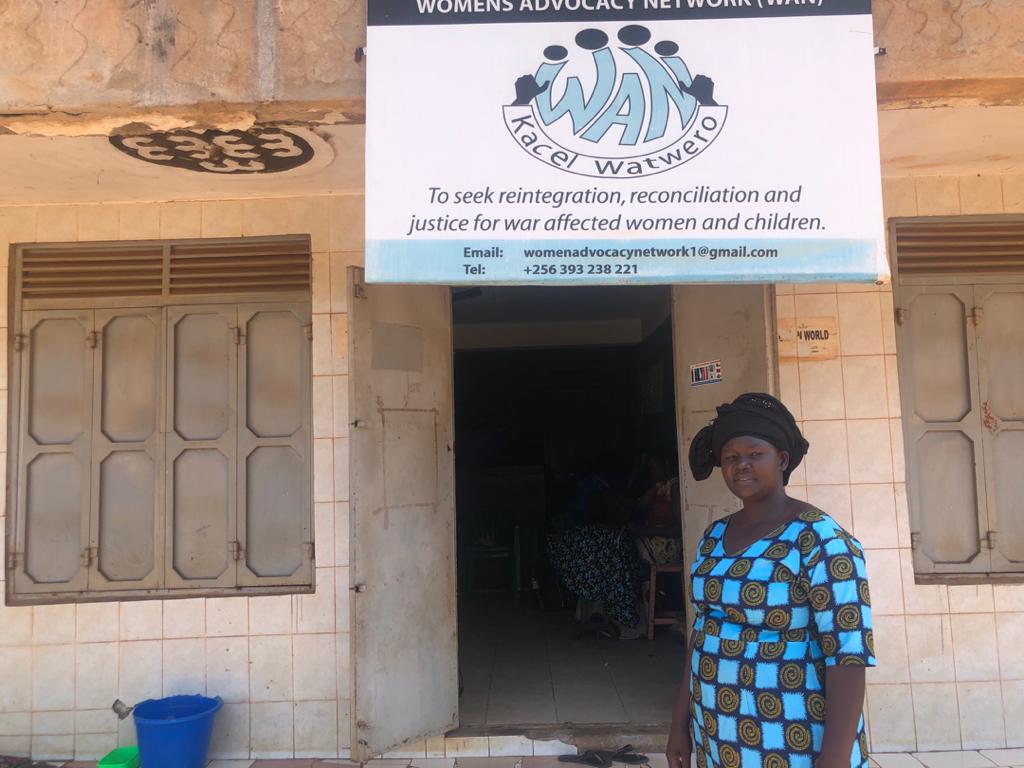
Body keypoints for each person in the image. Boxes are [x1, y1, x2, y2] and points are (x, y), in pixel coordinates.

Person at [666, 393, 874, 768]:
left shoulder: (820, 540)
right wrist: (680, 724)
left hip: (793, 736)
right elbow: (702, 632)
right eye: (731, 457)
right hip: (716, 731)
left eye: (755, 454)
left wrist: (835, 758)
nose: (741, 465)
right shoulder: (714, 537)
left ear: (782, 459)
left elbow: (848, 655)